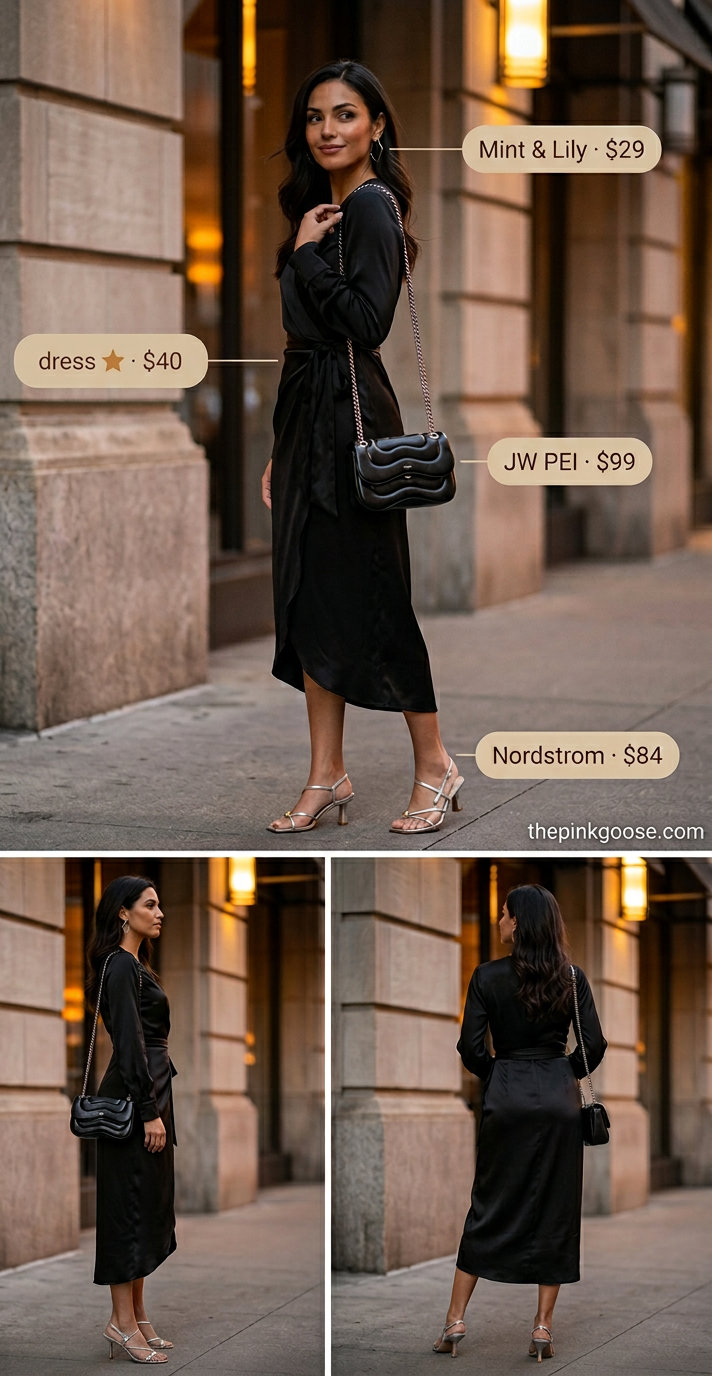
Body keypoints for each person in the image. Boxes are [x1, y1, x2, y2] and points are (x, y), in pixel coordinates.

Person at [261, 59, 462, 834]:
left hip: (352, 426)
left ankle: (437, 766)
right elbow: (306, 338)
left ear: (376, 125)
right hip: (309, 421)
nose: (327, 131)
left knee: (378, 600)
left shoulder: (370, 208)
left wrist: (307, 255)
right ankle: (327, 775)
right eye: (315, 117)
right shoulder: (326, 207)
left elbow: (368, 322)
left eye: (345, 115)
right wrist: (285, 445)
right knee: (311, 599)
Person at [434, 884, 607, 1361]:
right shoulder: (572, 977)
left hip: (505, 1094)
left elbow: (470, 1047)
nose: (499, 921)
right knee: (556, 1206)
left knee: (487, 1202)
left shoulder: (487, 976)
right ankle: (543, 1329)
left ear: (520, 923)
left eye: (504, 914)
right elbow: (593, 1043)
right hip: (558, 1099)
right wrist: (558, 1074)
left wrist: (498, 1075)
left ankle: (454, 1320)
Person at [85, 876, 177, 1364]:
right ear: (124, 912)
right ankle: (121, 1325)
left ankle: (138, 1316)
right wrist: (149, 1113)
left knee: (145, 1212)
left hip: (151, 1095)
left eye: (160, 904)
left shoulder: (134, 965)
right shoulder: (120, 966)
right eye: (150, 904)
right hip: (135, 1103)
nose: (160, 912)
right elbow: (129, 1043)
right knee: (127, 1215)